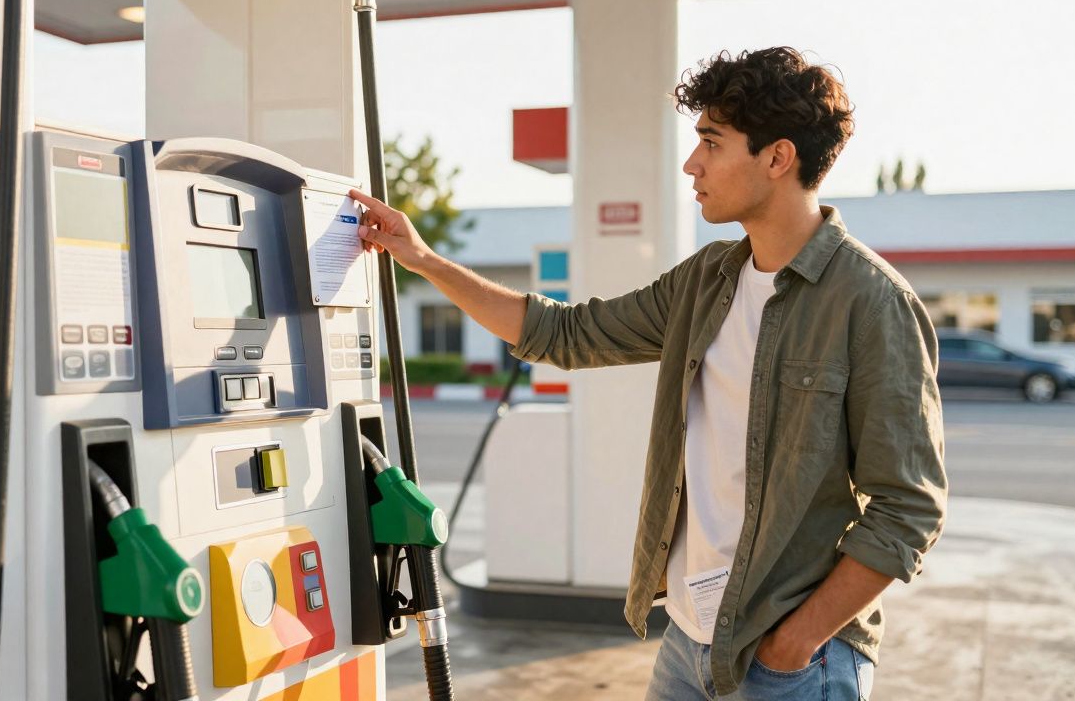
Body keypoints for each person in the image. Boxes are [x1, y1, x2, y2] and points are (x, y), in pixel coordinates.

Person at [347, 46, 946, 700]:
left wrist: (795, 642)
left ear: (777, 158)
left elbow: (906, 508)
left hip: (793, 663)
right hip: (688, 641)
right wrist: (423, 259)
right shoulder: (708, 279)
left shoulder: (871, 302)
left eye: (712, 144)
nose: (692, 164)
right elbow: (566, 334)